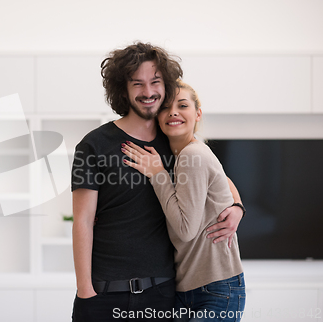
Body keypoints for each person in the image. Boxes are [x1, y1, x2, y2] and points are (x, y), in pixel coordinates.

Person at [71, 42, 245, 321]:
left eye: (155, 82)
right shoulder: (93, 145)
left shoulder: (175, 141)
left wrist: (236, 207)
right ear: (123, 90)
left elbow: (220, 177)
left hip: (163, 294)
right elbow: (82, 221)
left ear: (166, 86)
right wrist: (85, 291)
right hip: (104, 293)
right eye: (137, 84)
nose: (148, 92)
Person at [121, 79, 246, 321]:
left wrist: (158, 174)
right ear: (157, 117)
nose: (173, 112)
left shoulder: (192, 154)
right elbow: (224, 180)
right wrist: (238, 205)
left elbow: (186, 230)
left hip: (214, 289)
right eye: (166, 107)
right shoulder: (179, 154)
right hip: (190, 287)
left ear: (198, 114)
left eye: (183, 105)